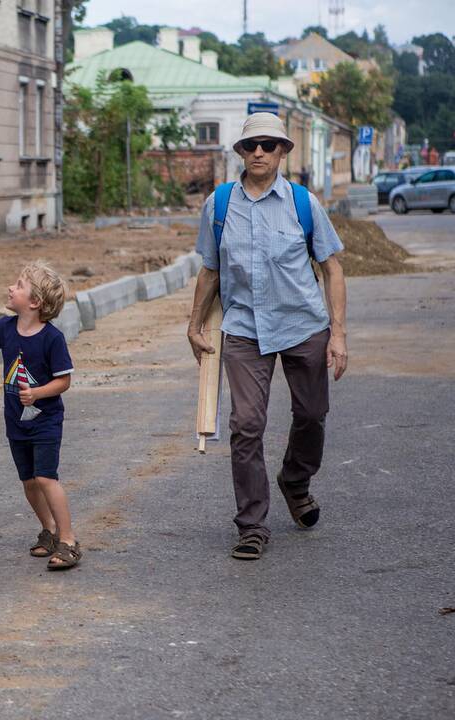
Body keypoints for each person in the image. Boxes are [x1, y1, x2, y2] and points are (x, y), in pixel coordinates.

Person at [187, 113, 348, 561]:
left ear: (282, 152)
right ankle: (252, 524)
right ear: (240, 151)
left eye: (269, 145)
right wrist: (194, 325)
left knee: (312, 414)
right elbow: (210, 270)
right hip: (244, 329)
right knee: (246, 425)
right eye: (251, 144)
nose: (259, 151)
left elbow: (332, 268)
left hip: (303, 326)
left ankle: (295, 482)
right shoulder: (219, 206)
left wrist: (338, 333)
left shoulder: (303, 203)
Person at [0, 262, 80, 570]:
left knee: (46, 477)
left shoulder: (52, 338)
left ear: (35, 302)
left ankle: (68, 540)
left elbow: (64, 380)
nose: (10, 288)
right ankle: (50, 529)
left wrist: (38, 393)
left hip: (45, 421)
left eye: (18, 285)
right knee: (29, 481)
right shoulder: (6, 327)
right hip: (16, 422)